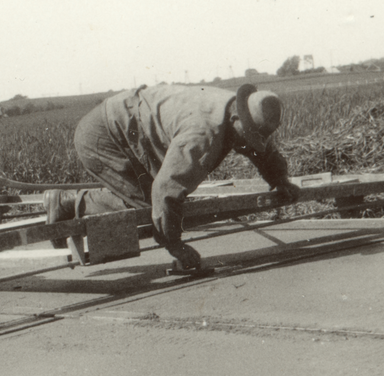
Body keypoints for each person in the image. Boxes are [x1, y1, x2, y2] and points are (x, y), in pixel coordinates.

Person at [43, 83, 299, 269]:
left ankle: (73, 201)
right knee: (146, 204)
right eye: (250, 135)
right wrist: (175, 245)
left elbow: (262, 151)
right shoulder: (202, 135)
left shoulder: (239, 110)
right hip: (104, 135)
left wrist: (280, 180)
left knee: (152, 195)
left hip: (130, 124)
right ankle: (67, 202)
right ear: (236, 118)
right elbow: (165, 191)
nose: (251, 144)